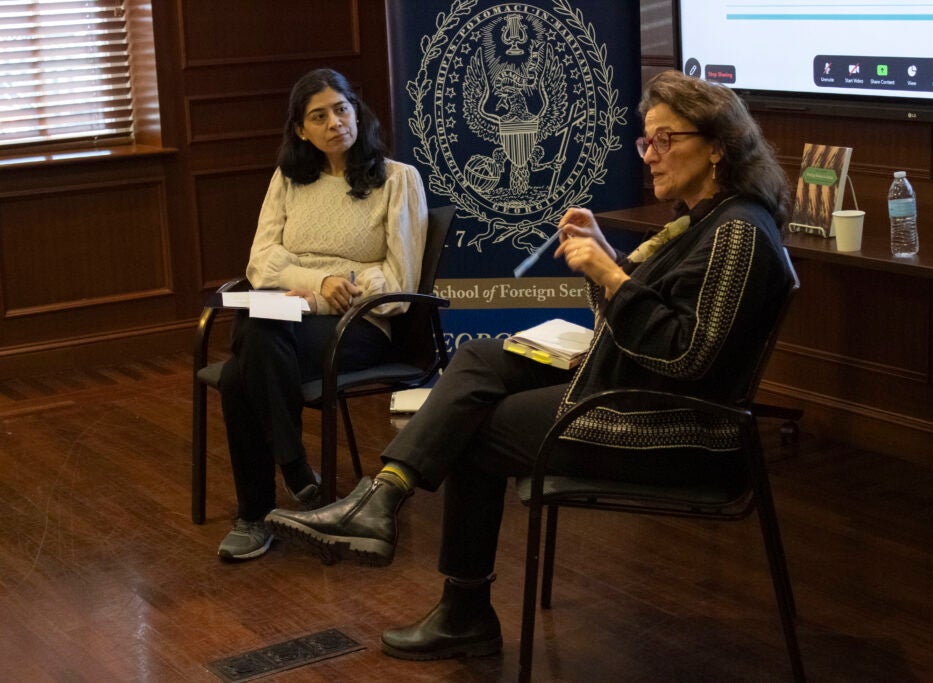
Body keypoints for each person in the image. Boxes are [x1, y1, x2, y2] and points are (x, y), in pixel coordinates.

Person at [265, 70, 792, 659]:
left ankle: (458, 605)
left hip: (681, 429)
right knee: (481, 360)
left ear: (718, 145)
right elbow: (651, 318)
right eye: (647, 141)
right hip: (634, 388)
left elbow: (685, 356)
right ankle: (382, 499)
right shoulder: (705, 220)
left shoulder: (740, 233)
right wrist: (613, 262)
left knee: (473, 423)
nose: (651, 156)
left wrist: (609, 272)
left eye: (666, 140)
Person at [216, 68, 428, 561]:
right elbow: (259, 262)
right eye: (319, 115)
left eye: (342, 109)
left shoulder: (398, 180)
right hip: (293, 320)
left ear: (357, 112)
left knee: (240, 368)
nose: (335, 122)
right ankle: (292, 472)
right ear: (300, 130)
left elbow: (399, 284)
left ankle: (258, 512)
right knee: (252, 343)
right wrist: (318, 284)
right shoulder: (289, 181)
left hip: (360, 325)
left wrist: (341, 288)